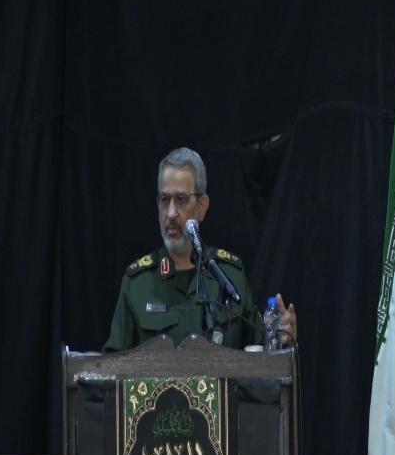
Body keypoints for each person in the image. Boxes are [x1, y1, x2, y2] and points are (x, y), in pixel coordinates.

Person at [103, 147, 296, 351]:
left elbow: (259, 351)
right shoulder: (137, 284)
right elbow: (113, 364)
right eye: (164, 200)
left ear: (202, 206)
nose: (171, 213)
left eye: (181, 199)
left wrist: (281, 338)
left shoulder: (229, 276)